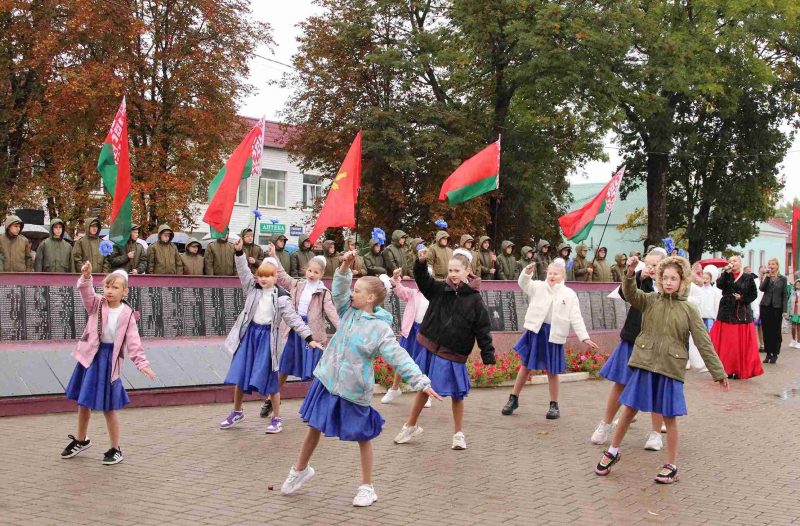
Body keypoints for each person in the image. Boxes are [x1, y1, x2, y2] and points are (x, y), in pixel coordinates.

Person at [280, 250, 440, 506]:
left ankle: (367, 487)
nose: (352, 293)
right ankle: (300, 470)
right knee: (314, 427)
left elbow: (399, 356)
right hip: (327, 380)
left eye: (358, 291)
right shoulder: (347, 311)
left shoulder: (380, 329)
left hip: (354, 389)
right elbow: (341, 290)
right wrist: (344, 265)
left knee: (363, 437)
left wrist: (421, 381)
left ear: (371, 298)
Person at [594, 255, 729, 484]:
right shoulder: (650, 300)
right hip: (645, 364)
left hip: (670, 370)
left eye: (673, 278)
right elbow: (630, 294)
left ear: (682, 280)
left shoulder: (688, 309)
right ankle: (613, 451)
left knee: (670, 418)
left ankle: (671, 465)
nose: (668, 282)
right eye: (665, 278)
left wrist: (718, 372)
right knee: (628, 410)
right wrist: (629, 274)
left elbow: (703, 341)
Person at [393, 250, 495, 450]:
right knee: (424, 388)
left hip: (455, 353)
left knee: (457, 395)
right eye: (450, 270)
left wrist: (487, 352)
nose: (453, 274)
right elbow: (423, 281)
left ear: (468, 271)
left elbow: (482, 328)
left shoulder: (475, 300)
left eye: (457, 270)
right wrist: (421, 263)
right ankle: (410, 425)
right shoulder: (439, 289)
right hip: (432, 348)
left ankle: (458, 434)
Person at [219, 239, 323, 433]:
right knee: (240, 374)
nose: (263, 279)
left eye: (267, 276)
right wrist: (240, 252)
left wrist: (309, 338)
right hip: (249, 337)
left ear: (276, 277)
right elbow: (243, 271)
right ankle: (237, 411)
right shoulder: (252, 288)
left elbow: (294, 320)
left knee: (271, 379)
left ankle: (276, 418)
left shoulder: (282, 297)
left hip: (267, 339)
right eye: (260, 276)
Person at [61, 265, 157, 465]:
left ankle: (115, 448)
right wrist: (87, 278)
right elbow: (86, 294)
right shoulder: (97, 304)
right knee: (83, 401)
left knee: (109, 407)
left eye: (115, 287)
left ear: (125, 291)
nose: (110, 291)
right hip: (90, 358)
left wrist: (142, 364)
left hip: (108, 362)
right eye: (107, 286)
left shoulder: (128, 314)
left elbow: (134, 343)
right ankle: (81, 439)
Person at [590, 249, 669, 450]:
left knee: (655, 387)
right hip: (632, 339)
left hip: (656, 344)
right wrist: (634, 274)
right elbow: (625, 293)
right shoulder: (639, 280)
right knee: (620, 383)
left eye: (655, 265)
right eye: (648, 264)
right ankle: (605, 425)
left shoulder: (669, 287)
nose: (651, 268)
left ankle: (655, 433)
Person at [502, 259, 598, 419]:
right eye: (550, 273)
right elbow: (523, 284)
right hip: (536, 332)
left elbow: (576, 317)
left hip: (554, 335)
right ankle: (513, 398)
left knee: (552, 371)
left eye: (556, 273)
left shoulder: (569, 294)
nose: (552, 276)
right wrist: (527, 272)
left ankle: (554, 405)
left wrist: (584, 337)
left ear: (563, 276)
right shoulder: (538, 286)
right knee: (525, 367)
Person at [270, 248, 339, 394]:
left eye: (316, 272)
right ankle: (272, 397)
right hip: (295, 330)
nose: (312, 274)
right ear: (305, 270)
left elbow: (331, 312)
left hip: (313, 335)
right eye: (310, 271)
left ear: (322, 274)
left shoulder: (324, 293)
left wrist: (343, 328)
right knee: (285, 366)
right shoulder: (297, 284)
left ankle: (313, 402)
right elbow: (282, 275)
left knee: (314, 369)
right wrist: (274, 256)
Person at [381, 267, 432, 408]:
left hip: (426, 333)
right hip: (410, 332)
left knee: (424, 362)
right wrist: (396, 278)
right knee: (401, 359)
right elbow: (399, 290)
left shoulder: (435, 295)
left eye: (425, 277)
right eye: (419, 278)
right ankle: (395, 389)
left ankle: (424, 393)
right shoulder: (412, 293)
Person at [709, 255, 763, 380]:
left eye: (734, 261)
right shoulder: (726, 275)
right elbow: (719, 285)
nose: (732, 263)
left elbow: (753, 294)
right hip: (726, 312)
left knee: (738, 344)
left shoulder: (748, 277)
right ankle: (726, 369)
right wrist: (725, 272)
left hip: (741, 313)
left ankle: (739, 369)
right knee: (727, 343)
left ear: (740, 263)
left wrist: (742, 298)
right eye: (730, 261)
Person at [759, 258, 788, 364]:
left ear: (777, 266)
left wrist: (785, 309)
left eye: (773, 264)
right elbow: (761, 288)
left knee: (775, 331)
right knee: (766, 331)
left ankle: (775, 353)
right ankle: (768, 353)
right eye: (769, 264)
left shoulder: (782, 279)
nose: (771, 266)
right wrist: (766, 277)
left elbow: (785, 295)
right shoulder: (767, 277)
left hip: (777, 307)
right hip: (765, 306)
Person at [788, 279, 800, 348]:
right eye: (796, 284)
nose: (797, 286)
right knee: (793, 327)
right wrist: (788, 312)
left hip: (799, 313)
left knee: (799, 327)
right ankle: (793, 340)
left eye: (799, 284)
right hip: (793, 312)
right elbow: (789, 303)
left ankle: (798, 342)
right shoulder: (793, 293)